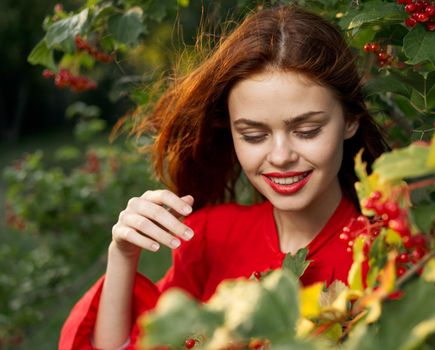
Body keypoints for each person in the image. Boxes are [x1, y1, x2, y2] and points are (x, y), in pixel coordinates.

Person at [59, 4, 387, 350]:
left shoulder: (388, 248)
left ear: (350, 120)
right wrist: (122, 255)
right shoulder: (207, 238)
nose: (280, 157)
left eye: (306, 130)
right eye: (253, 135)